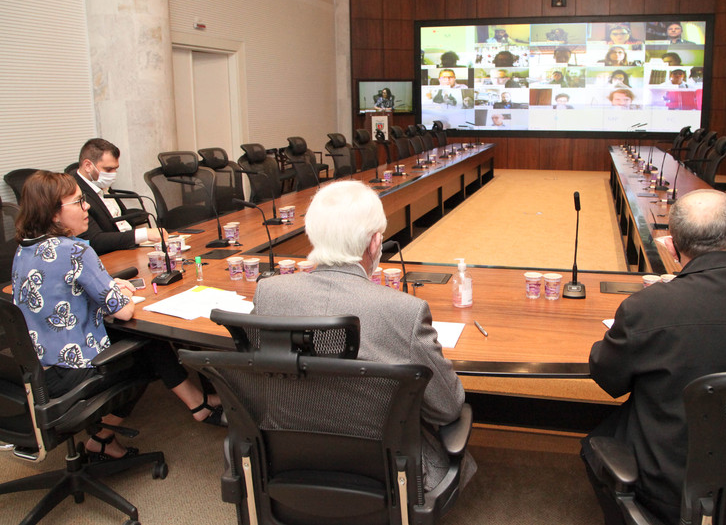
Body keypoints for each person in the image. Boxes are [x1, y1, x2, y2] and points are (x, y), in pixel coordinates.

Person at [585, 190, 726, 525]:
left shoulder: (648, 306)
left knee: (596, 444)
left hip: (669, 485)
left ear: (672, 248)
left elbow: (609, 378)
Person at [251, 181, 472, 491]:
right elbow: (447, 406)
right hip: (386, 472)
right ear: (374, 242)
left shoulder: (268, 293)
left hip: (288, 462)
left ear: (312, 235)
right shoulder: (405, 311)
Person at [11, 172, 224, 460]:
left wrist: (105, 286)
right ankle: (106, 435)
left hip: (38, 371)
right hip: (72, 371)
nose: (87, 207)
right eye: (78, 202)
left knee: (134, 338)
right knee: (146, 346)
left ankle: (193, 405)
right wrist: (118, 290)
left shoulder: (24, 249)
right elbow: (123, 310)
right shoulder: (74, 250)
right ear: (54, 213)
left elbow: (60, 291)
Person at [74, 138, 166, 256]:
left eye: (115, 169)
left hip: (130, 249)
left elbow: (123, 221)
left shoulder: (100, 183)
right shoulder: (74, 193)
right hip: (109, 256)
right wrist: (143, 234)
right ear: (88, 166)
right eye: (108, 169)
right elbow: (94, 240)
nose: (113, 174)